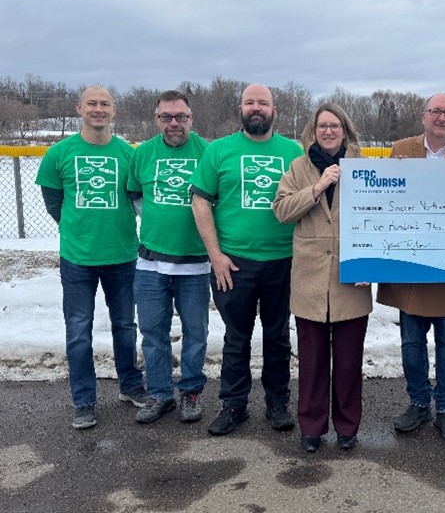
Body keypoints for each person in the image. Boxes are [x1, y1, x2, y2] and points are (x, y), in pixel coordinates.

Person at [190, 83, 303, 436]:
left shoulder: (294, 151)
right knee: (236, 336)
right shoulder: (219, 150)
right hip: (234, 262)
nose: (257, 107)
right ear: (240, 109)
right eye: (250, 102)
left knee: (278, 334)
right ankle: (234, 404)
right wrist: (216, 255)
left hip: (283, 259)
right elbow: (201, 201)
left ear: (275, 110)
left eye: (263, 103)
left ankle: (277, 403)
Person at [36, 85, 147, 429]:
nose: (98, 109)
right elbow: (54, 203)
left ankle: (130, 385)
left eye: (105, 104)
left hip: (122, 255)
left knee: (125, 325)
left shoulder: (129, 154)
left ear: (114, 111)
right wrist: (78, 229)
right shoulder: (59, 154)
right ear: (79, 108)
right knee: (79, 330)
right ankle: (83, 400)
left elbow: (137, 198)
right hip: (77, 259)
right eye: (91, 104)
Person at [376, 94, 445, 443]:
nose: (441, 117)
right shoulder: (400, 150)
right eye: (435, 111)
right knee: (411, 340)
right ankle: (419, 402)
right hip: (412, 264)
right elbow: (383, 202)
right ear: (423, 117)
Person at [274, 104, 372, 453]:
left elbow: (380, 217)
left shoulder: (362, 168)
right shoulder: (299, 167)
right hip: (310, 280)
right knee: (312, 362)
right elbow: (282, 211)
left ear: (345, 130)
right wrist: (318, 187)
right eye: (322, 126)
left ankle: (348, 426)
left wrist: (371, 264)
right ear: (313, 131)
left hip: (352, 279)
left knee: (348, 363)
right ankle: (311, 427)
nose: (328, 131)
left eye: (334, 125)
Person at [127, 90, 210, 424]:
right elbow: (134, 194)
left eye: (181, 117)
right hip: (150, 263)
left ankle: (190, 392)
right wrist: (161, 223)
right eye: (167, 117)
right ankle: (160, 394)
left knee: (196, 333)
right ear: (156, 118)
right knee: (152, 332)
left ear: (191, 117)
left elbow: (219, 194)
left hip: (195, 262)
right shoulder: (143, 153)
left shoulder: (208, 151)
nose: (174, 123)